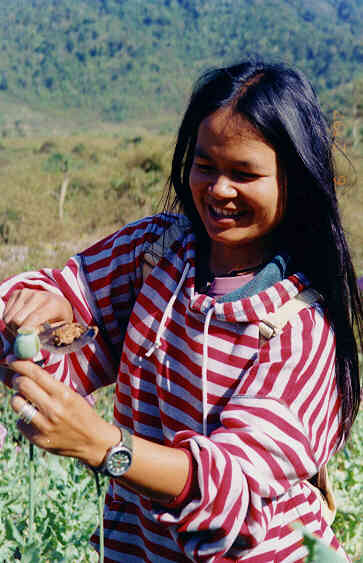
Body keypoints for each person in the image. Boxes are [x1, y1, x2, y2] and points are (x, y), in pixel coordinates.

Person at [0, 60, 361, 562]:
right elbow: (73, 295)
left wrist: (105, 445)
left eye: (245, 174)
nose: (219, 190)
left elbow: (231, 482)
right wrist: (45, 306)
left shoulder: (300, 327)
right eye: (206, 165)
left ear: (295, 181)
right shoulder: (156, 252)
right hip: (140, 550)